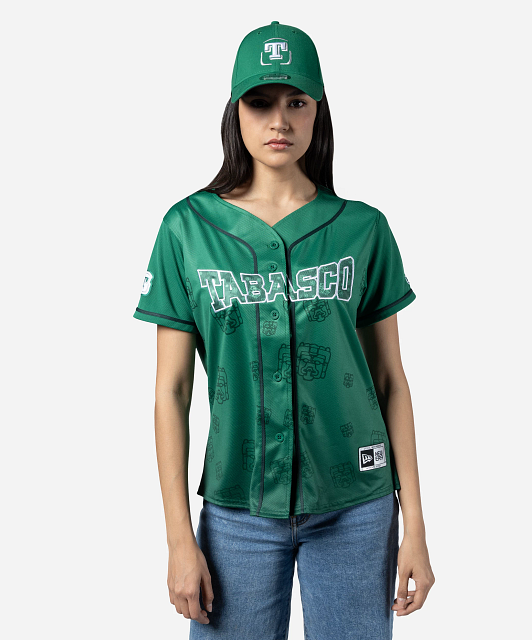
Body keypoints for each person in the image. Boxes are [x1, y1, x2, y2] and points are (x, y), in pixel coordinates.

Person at [133, 20, 434, 640]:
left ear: (319, 111)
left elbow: (390, 382)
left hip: (357, 504)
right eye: (261, 102)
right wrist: (179, 537)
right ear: (235, 112)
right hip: (237, 509)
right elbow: (171, 391)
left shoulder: (362, 229)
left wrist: (416, 529)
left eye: (297, 102)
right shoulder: (188, 229)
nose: (280, 121)